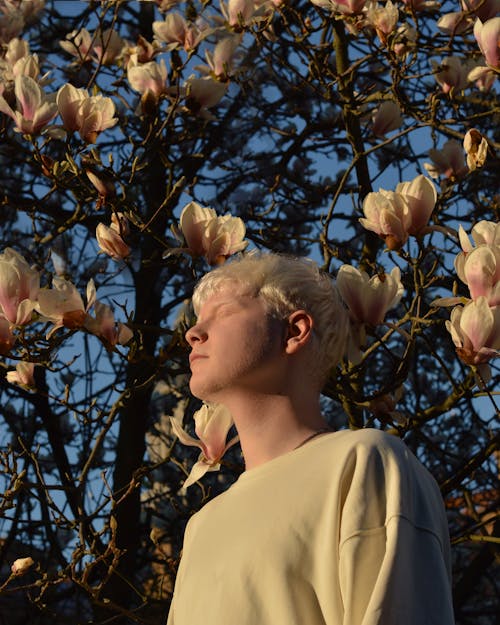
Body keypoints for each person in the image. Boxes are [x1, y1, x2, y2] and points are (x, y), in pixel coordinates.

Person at [167, 252, 455, 625]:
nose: (193, 332)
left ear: (294, 331)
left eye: (222, 313)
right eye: (197, 320)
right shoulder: (202, 526)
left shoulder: (362, 463)